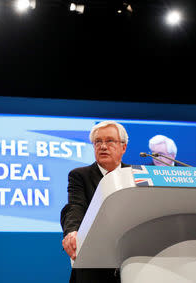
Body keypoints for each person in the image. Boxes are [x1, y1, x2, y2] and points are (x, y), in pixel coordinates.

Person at [60, 121, 130, 283]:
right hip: (94, 267)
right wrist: (72, 232)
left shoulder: (135, 174)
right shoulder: (80, 176)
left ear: (123, 147)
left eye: (109, 141)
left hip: (131, 263)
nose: (103, 146)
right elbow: (75, 207)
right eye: (98, 142)